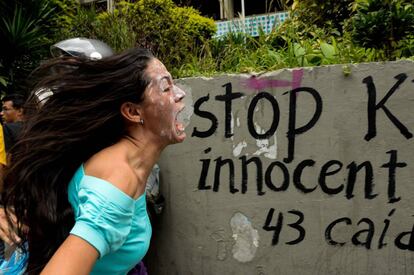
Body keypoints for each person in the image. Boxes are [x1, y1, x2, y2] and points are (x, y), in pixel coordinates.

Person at [2, 47, 187, 274]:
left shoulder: (122, 159)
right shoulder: (118, 180)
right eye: (166, 87)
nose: (179, 94)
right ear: (132, 111)